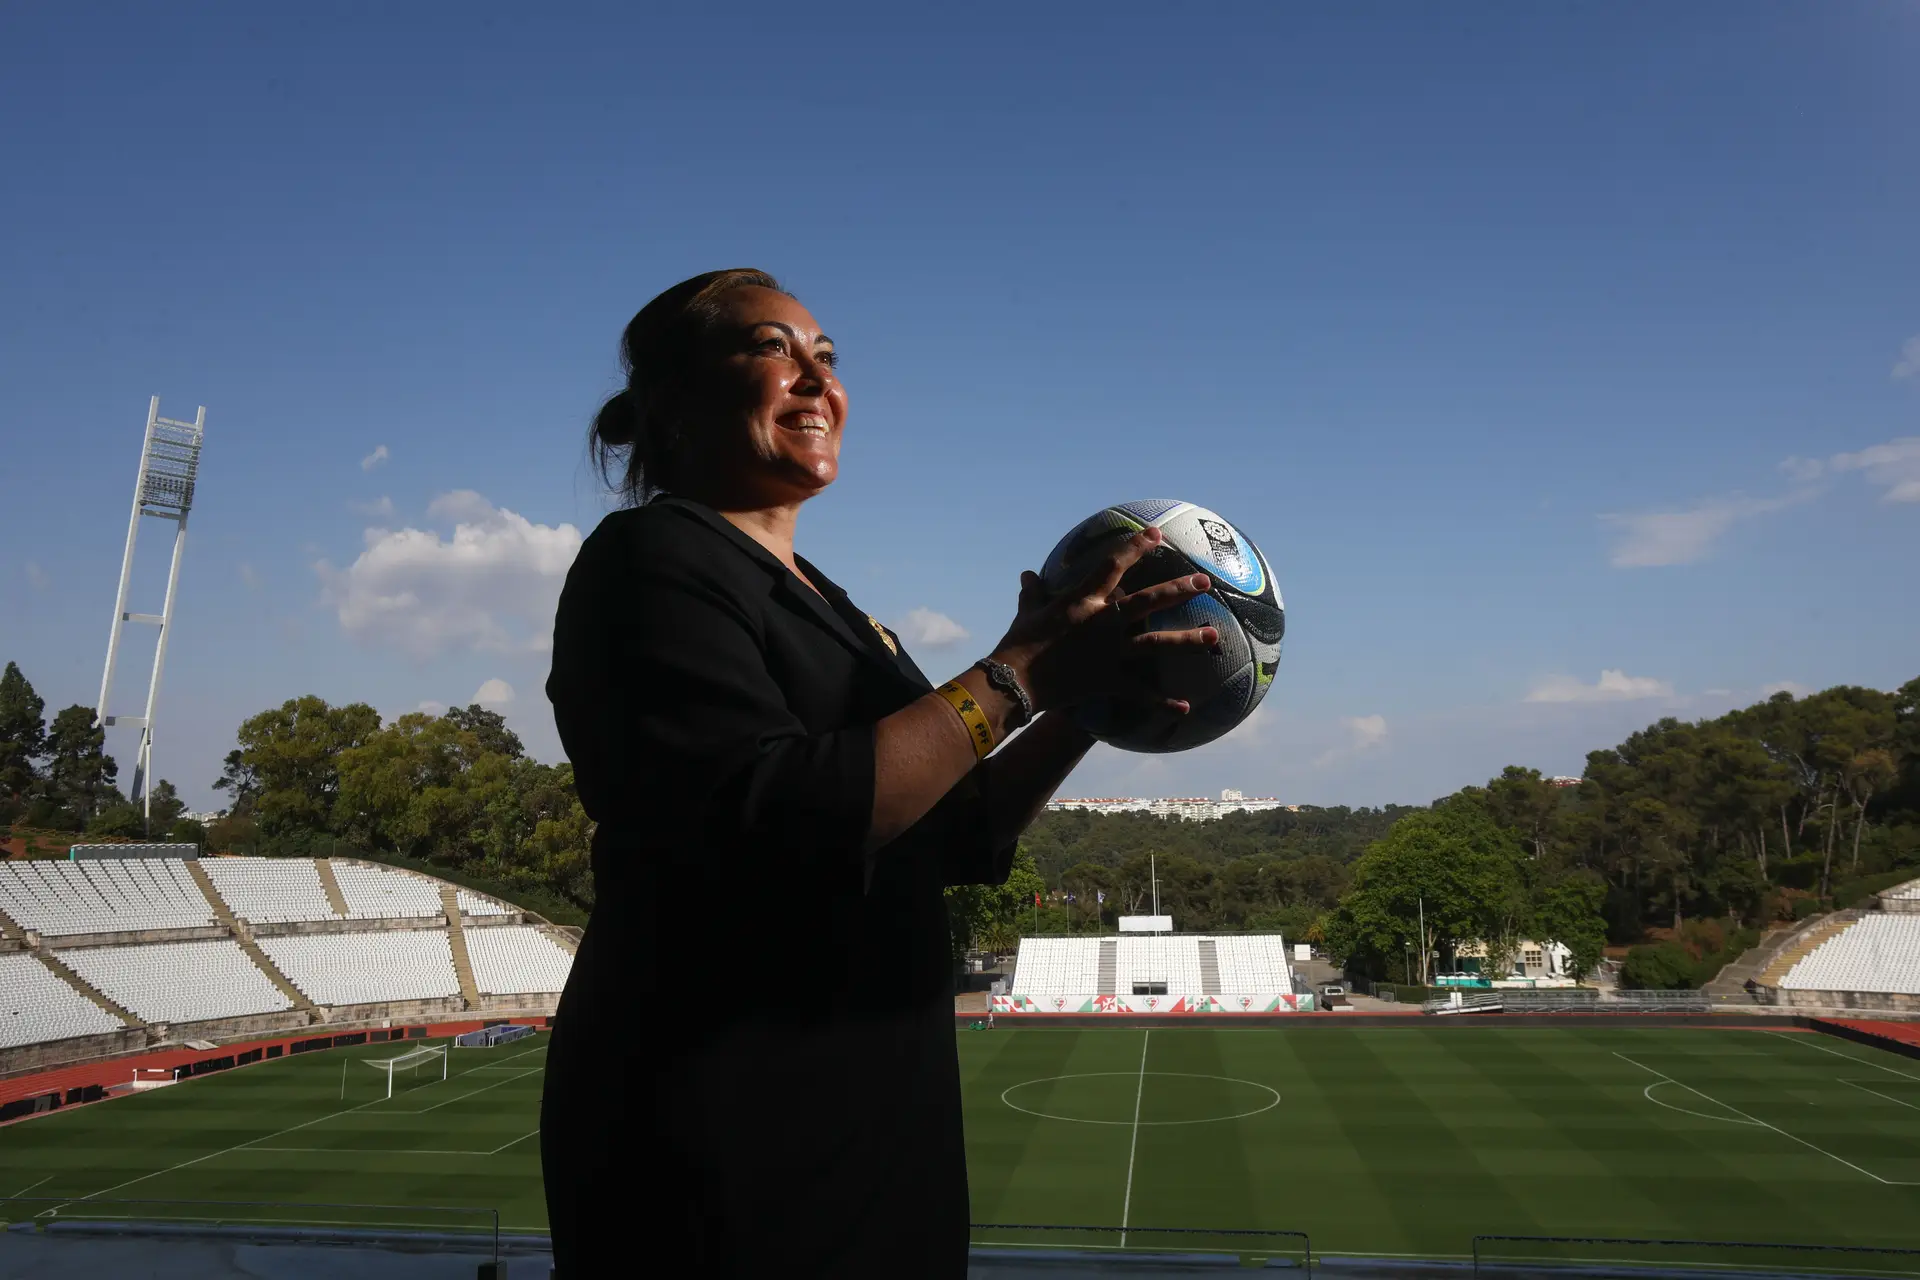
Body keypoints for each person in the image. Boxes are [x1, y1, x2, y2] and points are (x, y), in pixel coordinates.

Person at [540, 269, 1219, 1276]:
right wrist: (1022, 668)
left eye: (827, 356)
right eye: (773, 348)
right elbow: (795, 810)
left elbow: (955, 822)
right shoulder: (649, 560)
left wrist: (1086, 699)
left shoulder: (843, 611)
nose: (815, 378)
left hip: (871, 1127)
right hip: (724, 1142)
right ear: (674, 399)